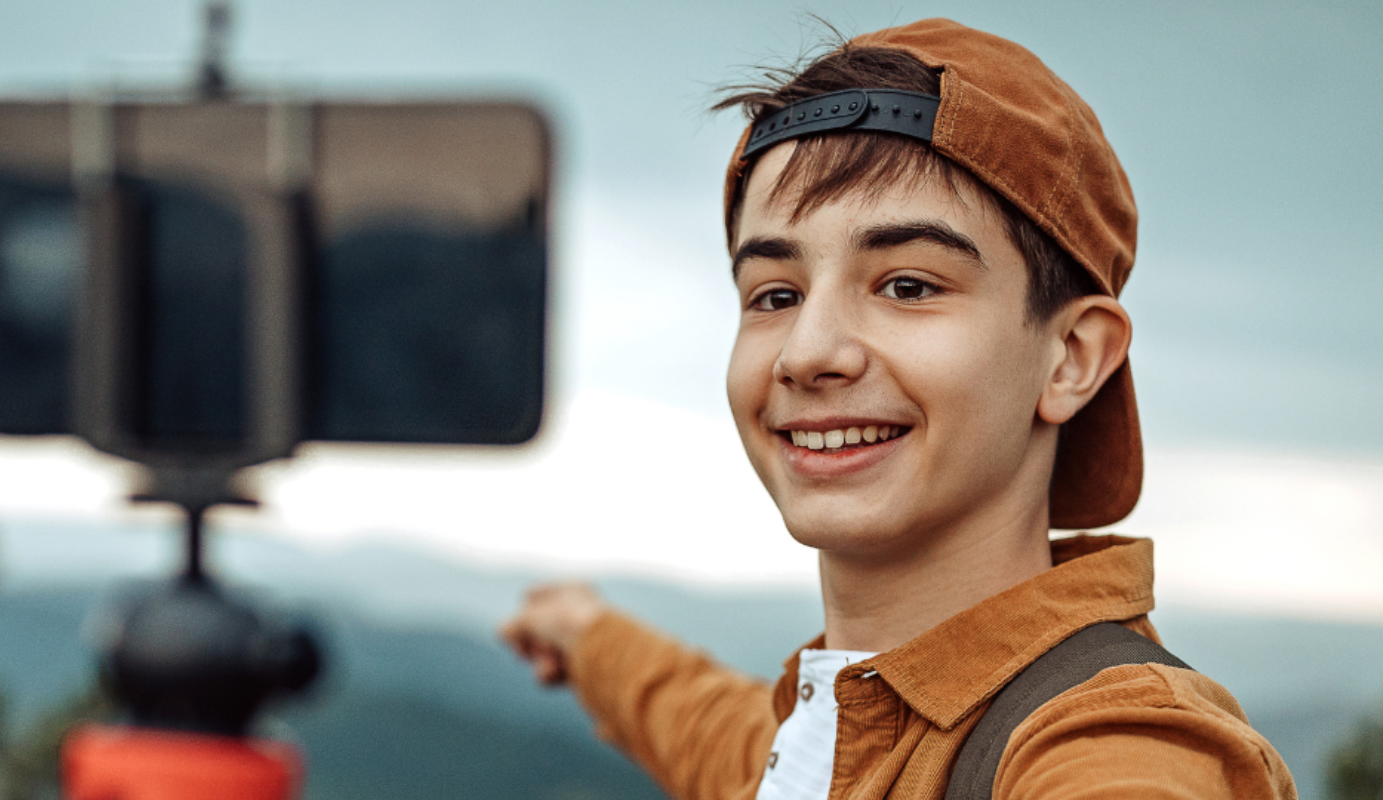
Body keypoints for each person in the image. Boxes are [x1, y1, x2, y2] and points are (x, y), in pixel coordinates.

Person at [499, 17, 1298, 800]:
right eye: (774, 294)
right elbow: (705, 725)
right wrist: (582, 631)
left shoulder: (1117, 749)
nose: (807, 353)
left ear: (1072, 358)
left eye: (908, 286)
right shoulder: (833, 745)